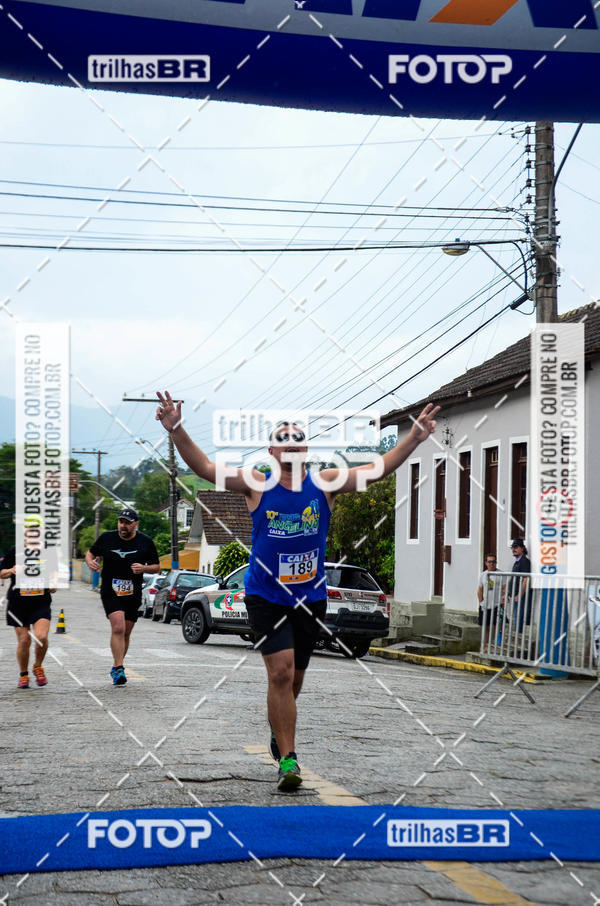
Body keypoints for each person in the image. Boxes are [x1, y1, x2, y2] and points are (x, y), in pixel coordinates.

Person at [155, 390, 439, 791]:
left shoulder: (324, 484)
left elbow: (376, 470)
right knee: (282, 672)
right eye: (282, 437)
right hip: (265, 597)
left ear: (305, 448)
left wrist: (412, 438)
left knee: (296, 679)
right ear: (271, 450)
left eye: (297, 437)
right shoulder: (256, 484)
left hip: (310, 599)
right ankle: (288, 759)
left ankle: (278, 729)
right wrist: (177, 428)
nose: (290, 442)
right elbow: (203, 467)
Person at [85, 508, 160, 686]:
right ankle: (119, 668)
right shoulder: (107, 538)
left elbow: (157, 567)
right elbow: (90, 553)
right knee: (118, 626)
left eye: (127, 522)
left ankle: (116, 664)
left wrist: (144, 568)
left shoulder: (145, 542)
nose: (123, 525)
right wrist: (90, 562)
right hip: (110, 589)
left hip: (132, 591)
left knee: (126, 631)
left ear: (136, 524)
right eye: (121, 522)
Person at [0, 538, 56, 689]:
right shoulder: (14, 550)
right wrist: (11, 570)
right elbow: (2, 573)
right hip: (18, 604)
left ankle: (38, 666)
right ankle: (23, 674)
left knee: (41, 637)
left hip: (40, 602)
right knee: (24, 640)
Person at [507, 538, 532, 633]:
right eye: (513, 547)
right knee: (515, 617)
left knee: (518, 617)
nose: (514, 549)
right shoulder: (517, 562)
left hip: (520, 596)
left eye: (516, 547)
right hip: (514, 594)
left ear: (522, 548)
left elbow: (526, 579)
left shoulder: (524, 561)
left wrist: (520, 594)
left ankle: (518, 636)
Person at [477, 554, 501, 651]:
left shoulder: (501, 574)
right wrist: (481, 602)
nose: (492, 564)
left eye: (493, 562)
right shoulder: (483, 575)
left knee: (495, 627)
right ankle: (485, 645)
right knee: (485, 626)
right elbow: (479, 590)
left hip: (496, 605)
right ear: (486, 563)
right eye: (489, 562)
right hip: (485, 605)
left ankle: (494, 645)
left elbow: (505, 588)